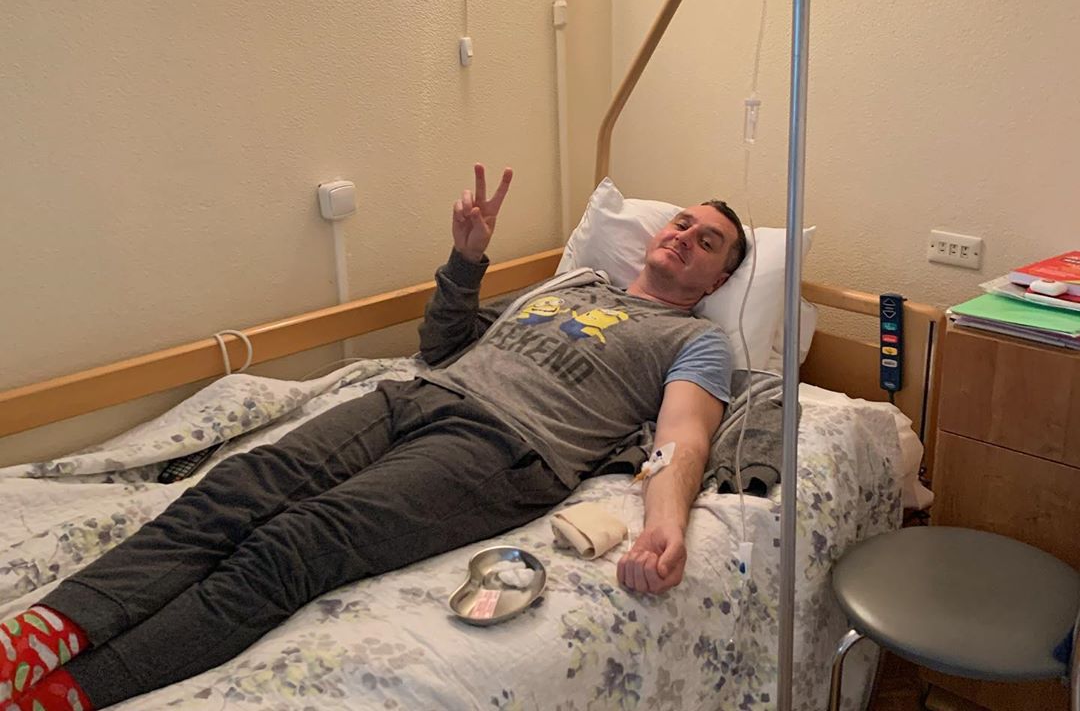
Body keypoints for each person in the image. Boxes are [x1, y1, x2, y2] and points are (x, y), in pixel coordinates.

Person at [0, 165, 746, 711]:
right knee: (232, 489)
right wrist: (466, 259)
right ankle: (37, 638)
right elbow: (443, 346)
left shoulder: (694, 340)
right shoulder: (568, 284)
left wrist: (666, 523)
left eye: (708, 241)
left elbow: (682, 436)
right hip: (415, 397)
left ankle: (70, 693)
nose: (685, 236)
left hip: (507, 449)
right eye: (681, 223)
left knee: (299, 542)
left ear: (716, 281)